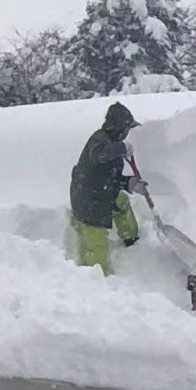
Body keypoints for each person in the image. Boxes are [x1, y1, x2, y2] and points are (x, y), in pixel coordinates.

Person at [69, 102, 146, 275]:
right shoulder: (100, 140)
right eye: (126, 129)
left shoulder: (111, 143)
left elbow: (110, 177)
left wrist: (130, 183)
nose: (127, 134)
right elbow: (99, 155)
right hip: (88, 201)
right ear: (118, 128)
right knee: (95, 242)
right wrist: (122, 148)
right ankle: (96, 277)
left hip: (102, 192)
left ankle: (132, 240)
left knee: (122, 202)